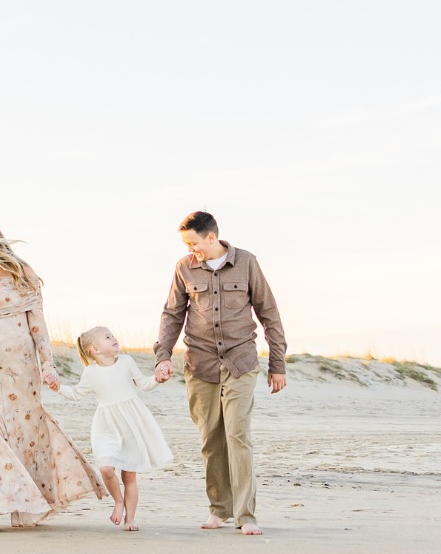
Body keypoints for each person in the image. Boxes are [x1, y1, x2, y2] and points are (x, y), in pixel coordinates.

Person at [0, 219, 105, 534]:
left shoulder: (21, 273)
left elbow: (37, 323)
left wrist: (48, 364)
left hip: (21, 369)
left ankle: (23, 507)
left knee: (22, 432)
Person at [153, 211, 287, 536]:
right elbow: (172, 314)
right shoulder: (184, 268)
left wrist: (278, 364)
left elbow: (269, 312)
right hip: (200, 364)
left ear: (211, 237)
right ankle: (219, 508)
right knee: (211, 439)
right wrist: (162, 356)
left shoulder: (247, 262)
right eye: (187, 244)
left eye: (193, 243)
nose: (190, 250)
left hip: (240, 361)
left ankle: (246, 515)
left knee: (237, 435)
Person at [56, 325, 172, 531]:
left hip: (131, 423)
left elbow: (143, 384)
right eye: (107, 337)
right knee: (106, 469)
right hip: (106, 426)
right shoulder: (91, 373)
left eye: (112, 335)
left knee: (129, 476)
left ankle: (130, 518)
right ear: (95, 350)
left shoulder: (127, 362)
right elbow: (75, 394)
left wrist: (157, 379)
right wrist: (57, 387)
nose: (113, 338)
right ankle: (118, 501)